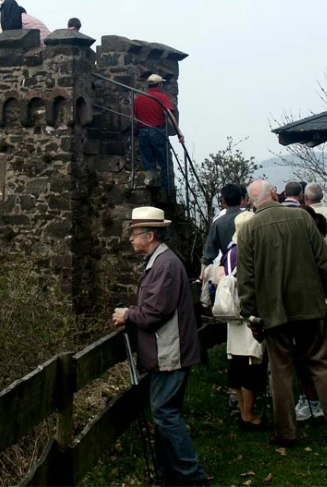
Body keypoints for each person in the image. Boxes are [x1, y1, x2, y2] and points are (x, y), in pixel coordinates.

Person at [237, 179, 327, 447]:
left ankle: (286, 431)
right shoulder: (302, 218)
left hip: (275, 310)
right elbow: (324, 260)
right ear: (273, 194)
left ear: (252, 202)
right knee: (322, 363)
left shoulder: (249, 230)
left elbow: (246, 279)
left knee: (281, 369)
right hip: (310, 304)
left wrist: (250, 314)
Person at [112, 207, 208, 486]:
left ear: (150, 235)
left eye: (135, 233)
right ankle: (171, 472)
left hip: (170, 352)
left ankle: (192, 476)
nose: (130, 238)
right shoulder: (161, 261)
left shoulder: (164, 265)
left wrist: (127, 314)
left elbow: (154, 313)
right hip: (168, 350)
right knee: (167, 412)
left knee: (165, 414)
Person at [217, 211, 266, 430]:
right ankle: (249, 414)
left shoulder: (230, 252)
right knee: (252, 363)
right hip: (251, 311)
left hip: (233, 313)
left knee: (237, 362)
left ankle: (242, 410)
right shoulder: (254, 251)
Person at [133, 74, 184, 191]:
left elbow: (135, 116)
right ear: (159, 84)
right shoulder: (161, 97)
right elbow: (168, 115)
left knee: (148, 163)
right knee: (163, 162)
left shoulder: (139, 99)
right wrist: (179, 132)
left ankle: (151, 187)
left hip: (143, 132)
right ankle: (166, 190)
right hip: (157, 131)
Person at [200, 184, 243, 274]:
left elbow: (208, 256)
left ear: (223, 201)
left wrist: (201, 278)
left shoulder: (218, 223)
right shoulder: (251, 217)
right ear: (241, 199)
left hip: (230, 270)